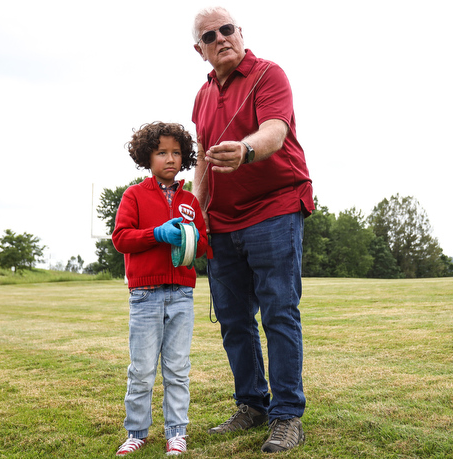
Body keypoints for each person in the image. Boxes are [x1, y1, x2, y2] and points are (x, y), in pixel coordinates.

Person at [190, 7, 314, 454]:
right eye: (210, 35)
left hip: (275, 208)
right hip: (222, 221)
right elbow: (203, 157)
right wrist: (196, 210)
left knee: (279, 313)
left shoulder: (268, 74)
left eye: (227, 29)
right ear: (199, 49)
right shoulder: (202, 96)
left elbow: (275, 132)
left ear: (241, 33)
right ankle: (252, 405)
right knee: (232, 320)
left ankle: (286, 416)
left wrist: (244, 149)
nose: (220, 37)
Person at [112, 122, 208, 456]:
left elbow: (205, 246)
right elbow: (121, 238)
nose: (170, 158)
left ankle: (176, 433)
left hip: (181, 294)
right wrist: (157, 234)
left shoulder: (190, 202)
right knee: (141, 370)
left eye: (176, 152)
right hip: (145, 296)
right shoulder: (134, 196)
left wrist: (192, 239)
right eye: (161, 152)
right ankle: (136, 432)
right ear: (147, 157)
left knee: (178, 369)